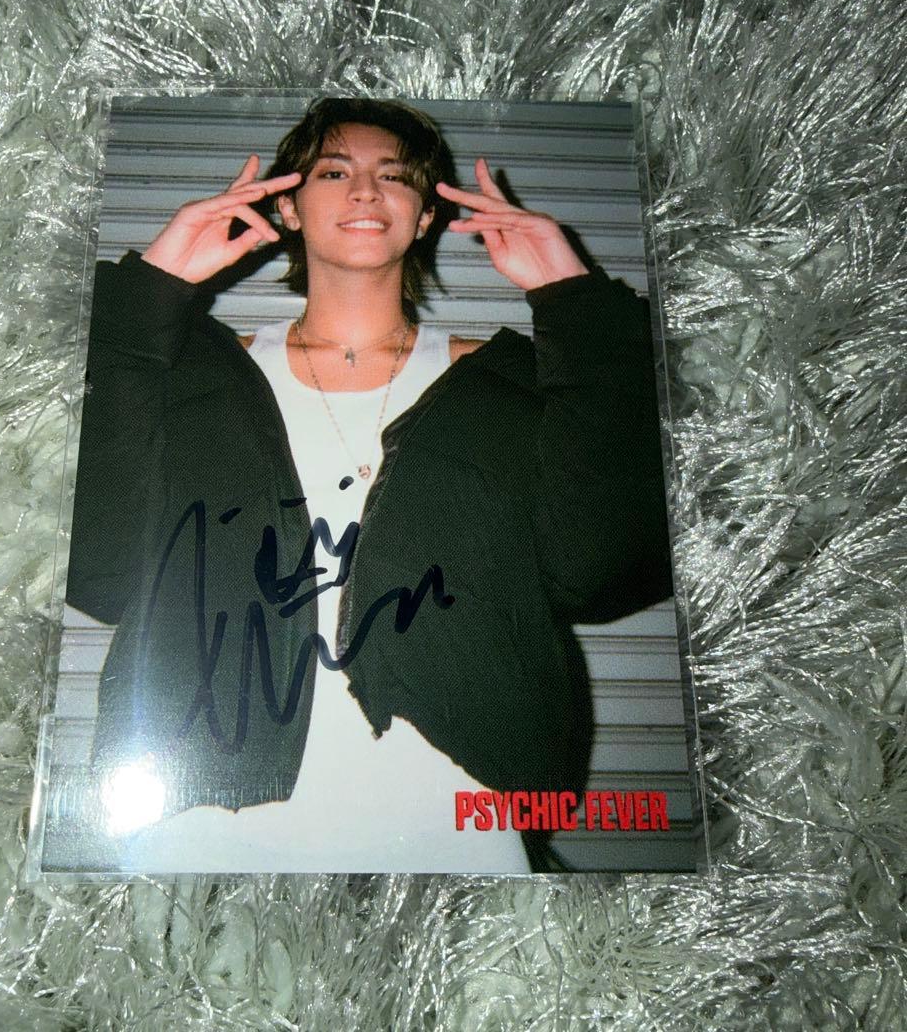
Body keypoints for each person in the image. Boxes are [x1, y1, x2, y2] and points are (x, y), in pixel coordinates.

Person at [63, 98, 671, 872]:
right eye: (333, 172)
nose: (364, 190)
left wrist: (574, 299)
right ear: (287, 206)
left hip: (451, 818)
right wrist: (150, 291)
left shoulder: (508, 385)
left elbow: (601, 570)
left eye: (395, 176)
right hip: (200, 818)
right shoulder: (196, 379)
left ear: (425, 216)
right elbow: (99, 570)